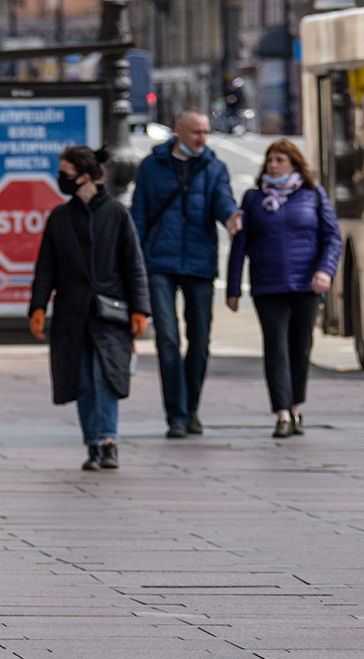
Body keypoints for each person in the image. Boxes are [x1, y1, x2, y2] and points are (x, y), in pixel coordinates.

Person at [29, 146, 151, 470]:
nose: (60, 179)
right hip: (71, 313)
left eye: (65, 173)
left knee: (105, 376)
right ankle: (93, 445)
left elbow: (134, 266)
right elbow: (46, 268)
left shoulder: (117, 214)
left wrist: (140, 309)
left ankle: (109, 441)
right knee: (81, 378)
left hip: (110, 314)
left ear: (84, 176)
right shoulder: (60, 217)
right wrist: (37, 307)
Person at [131, 107, 241, 438]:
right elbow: (138, 215)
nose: (202, 139)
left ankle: (192, 407)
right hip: (159, 262)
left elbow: (223, 202)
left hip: (199, 262)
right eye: (196, 132)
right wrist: (132, 261)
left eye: (206, 132)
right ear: (178, 130)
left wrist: (232, 217)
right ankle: (176, 416)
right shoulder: (151, 166)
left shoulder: (214, 167)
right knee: (167, 339)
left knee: (200, 342)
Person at [226, 139, 343, 437]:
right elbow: (240, 245)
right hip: (268, 286)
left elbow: (332, 238)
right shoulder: (253, 199)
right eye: (270, 160)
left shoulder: (313, 195)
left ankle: (295, 407)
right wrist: (233, 288)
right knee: (275, 346)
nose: (273, 165)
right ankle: (281, 413)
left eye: (280, 160)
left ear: (294, 165)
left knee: (300, 347)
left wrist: (325, 271)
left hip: (307, 285)